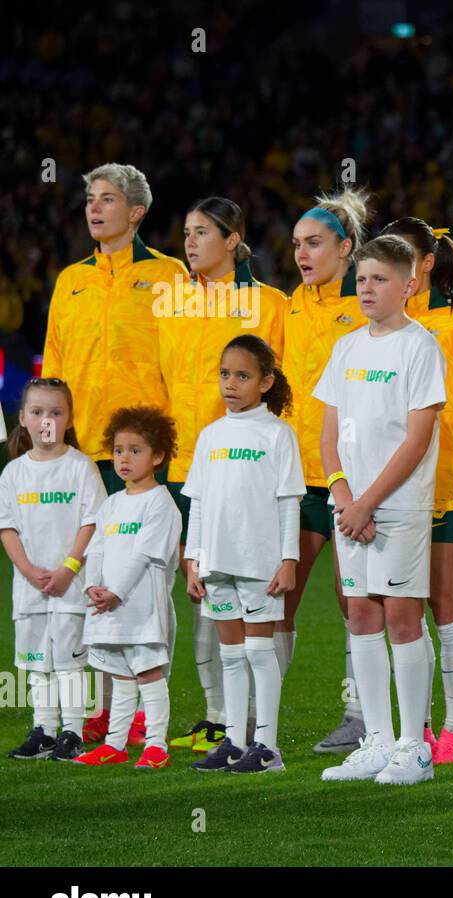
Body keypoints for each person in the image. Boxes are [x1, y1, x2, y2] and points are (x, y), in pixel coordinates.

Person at [44, 163, 185, 745]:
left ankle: (156, 706)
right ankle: (102, 708)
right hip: (82, 454)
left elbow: (185, 362)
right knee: (90, 582)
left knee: (147, 584)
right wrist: (47, 435)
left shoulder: (169, 275)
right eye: (89, 200)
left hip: (143, 454)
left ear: (136, 212)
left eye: (108, 200)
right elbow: (53, 365)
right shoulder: (68, 281)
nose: (95, 209)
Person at [315, 235, 447, 785]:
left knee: (400, 616)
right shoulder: (346, 347)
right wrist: (344, 495)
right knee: (362, 616)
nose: (366, 288)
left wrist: (367, 502)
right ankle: (375, 738)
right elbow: (327, 435)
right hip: (350, 507)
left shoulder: (420, 347)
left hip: (398, 505)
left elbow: (417, 439)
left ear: (409, 286)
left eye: (379, 279)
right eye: (361, 278)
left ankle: (415, 745)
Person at [162, 197, 290, 756]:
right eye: (186, 233)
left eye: (202, 233)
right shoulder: (173, 303)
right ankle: (221, 722)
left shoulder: (268, 305)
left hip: (254, 489)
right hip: (194, 467)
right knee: (211, 613)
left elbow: (287, 381)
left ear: (234, 239)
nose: (190, 243)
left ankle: (261, 732)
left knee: (258, 620)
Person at [278, 188, 373, 756]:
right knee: (278, 595)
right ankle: (256, 719)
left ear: (346, 247)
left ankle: (360, 713)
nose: (302, 254)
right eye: (295, 245)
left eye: (313, 243)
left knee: (350, 595)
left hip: (350, 475)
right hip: (294, 476)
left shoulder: (366, 303)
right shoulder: (292, 303)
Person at [182, 335, 304, 773]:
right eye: (225, 373)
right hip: (217, 562)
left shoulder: (278, 434)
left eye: (243, 375)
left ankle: (267, 748)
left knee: (259, 652)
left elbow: (289, 499)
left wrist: (288, 559)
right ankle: (235, 741)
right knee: (230, 656)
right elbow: (197, 501)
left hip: (260, 563)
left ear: (266, 382)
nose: (230, 383)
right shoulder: (210, 435)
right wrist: (194, 557)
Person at [382, 217, 453, 764]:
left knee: (446, 607)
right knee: (401, 612)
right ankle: (409, 728)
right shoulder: (381, 322)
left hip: (447, 476)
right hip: (393, 483)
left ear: (423, 264)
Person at [1, 378, 106, 761]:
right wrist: (29, 571)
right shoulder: (13, 473)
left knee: (68, 661)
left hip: (70, 585)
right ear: (24, 419)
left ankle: (72, 732)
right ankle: (43, 729)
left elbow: (92, 522)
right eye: (38, 411)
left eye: (56, 412)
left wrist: (68, 568)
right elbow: (7, 528)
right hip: (30, 589)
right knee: (36, 663)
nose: (46, 420)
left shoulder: (81, 467)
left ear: (69, 419)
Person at [73, 406, 182, 769]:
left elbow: (144, 556)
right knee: (120, 677)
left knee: (148, 675)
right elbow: (97, 548)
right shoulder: (112, 504)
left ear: (158, 456)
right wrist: (93, 587)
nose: (124, 458)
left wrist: (116, 592)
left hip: (142, 610)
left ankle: (156, 745)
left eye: (136, 450)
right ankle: (115, 744)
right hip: (108, 608)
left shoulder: (161, 503)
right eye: (119, 450)